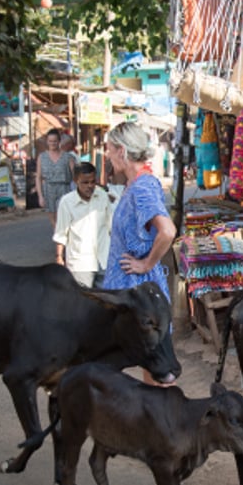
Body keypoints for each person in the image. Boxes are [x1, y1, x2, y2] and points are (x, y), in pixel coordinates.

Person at [102, 122, 177, 387]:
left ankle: (168, 425)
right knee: (152, 373)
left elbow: (167, 231)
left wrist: (146, 264)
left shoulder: (142, 187)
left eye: (110, 151)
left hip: (141, 299)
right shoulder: (134, 185)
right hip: (133, 297)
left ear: (122, 151)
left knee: (159, 374)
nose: (108, 157)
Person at [53, 162, 112, 288]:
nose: (90, 186)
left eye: (93, 182)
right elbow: (61, 233)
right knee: (83, 303)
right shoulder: (67, 202)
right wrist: (59, 258)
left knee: (106, 302)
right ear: (75, 181)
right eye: (85, 182)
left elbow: (111, 226)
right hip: (80, 264)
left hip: (104, 260)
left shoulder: (102, 196)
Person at [36, 129, 75, 228]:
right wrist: (40, 196)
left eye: (54, 141)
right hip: (48, 189)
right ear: (47, 142)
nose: (52, 143)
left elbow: (76, 176)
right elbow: (38, 177)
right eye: (50, 141)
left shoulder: (68, 157)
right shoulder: (42, 157)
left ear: (59, 141)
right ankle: (59, 237)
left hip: (64, 188)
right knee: (52, 217)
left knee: (63, 215)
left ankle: (62, 236)